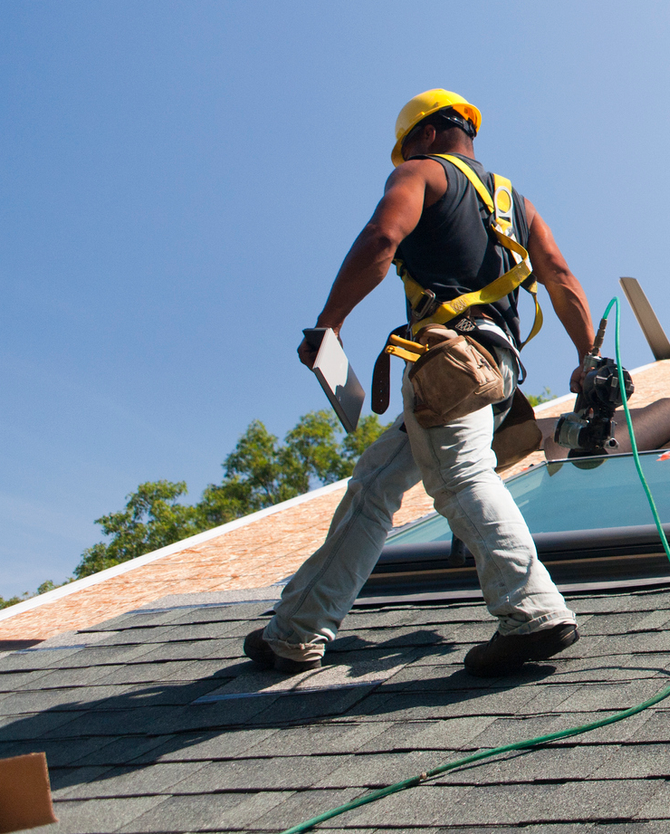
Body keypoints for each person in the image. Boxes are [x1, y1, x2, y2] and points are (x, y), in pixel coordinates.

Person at [247, 89, 596, 677]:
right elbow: (559, 275)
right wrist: (588, 356)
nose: (400, 157)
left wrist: (329, 325)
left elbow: (383, 240)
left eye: (405, 144)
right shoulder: (518, 204)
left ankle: (533, 610)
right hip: (497, 368)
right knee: (376, 483)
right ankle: (295, 630)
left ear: (429, 133)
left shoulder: (421, 173)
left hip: (451, 360)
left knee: (461, 477)